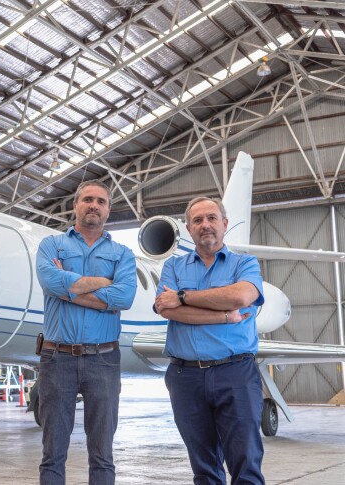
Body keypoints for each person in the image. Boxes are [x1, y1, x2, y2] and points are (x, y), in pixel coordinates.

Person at [154, 196, 265, 485]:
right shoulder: (173, 267)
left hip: (235, 372)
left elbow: (241, 296)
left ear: (225, 224)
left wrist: (182, 297)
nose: (205, 225)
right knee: (204, 468)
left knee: (246, 463)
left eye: (212, 218)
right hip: (185, 376)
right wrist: (224, 316)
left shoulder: (245, 263)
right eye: (198, 220)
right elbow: (166, 310)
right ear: (189, 229)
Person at [36, 180, 137, 484]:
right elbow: (49, 282)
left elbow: (125, 298)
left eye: (101, 201)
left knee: (102, 453)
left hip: (103, 359)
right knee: (53, 452)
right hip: (57, 357)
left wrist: (68, 290)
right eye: (88, 199)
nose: (94, 205)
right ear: (75, 205)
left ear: (108, 210)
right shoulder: (51, 245)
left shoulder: (122, 253)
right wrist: (105, 282)